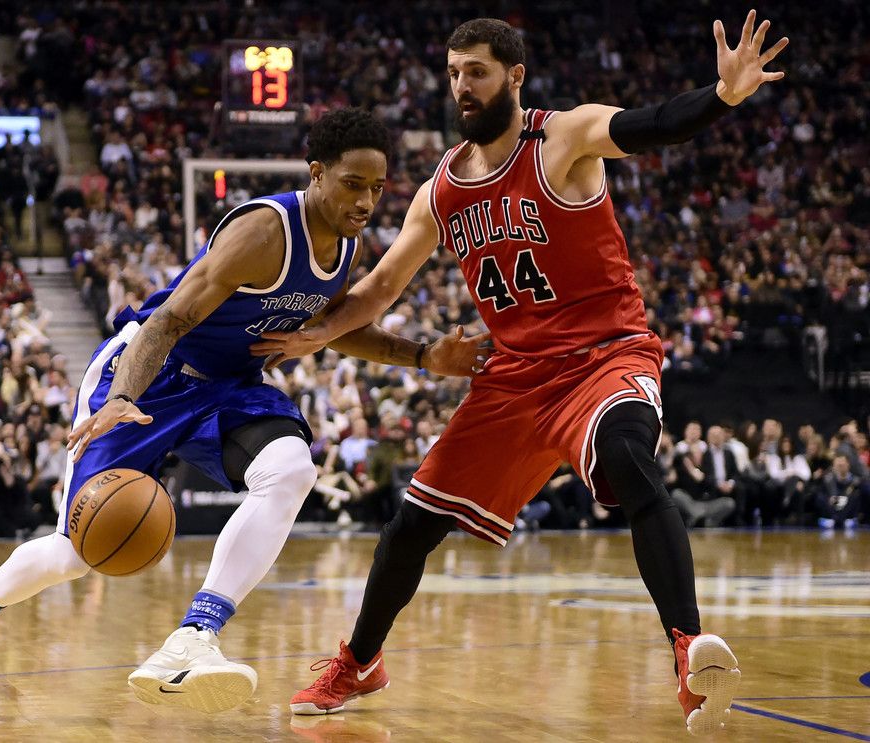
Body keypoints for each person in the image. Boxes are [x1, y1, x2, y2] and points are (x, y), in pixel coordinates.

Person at [256, 14, 788, 735]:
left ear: (514, 76)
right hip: (514, 377)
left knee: (628, 457)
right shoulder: (442, 188)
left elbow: (656, 124)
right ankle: (359, 660)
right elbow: (379, 288)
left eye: (476, 72)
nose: (461, 86)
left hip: (605, 355)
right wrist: (316, 331)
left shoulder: (562, 138)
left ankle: (688, 648)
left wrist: (721, 96)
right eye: (453, 73)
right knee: (411, 524)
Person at [0, 108, 487, 712]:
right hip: (152, 374)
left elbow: (336, 326)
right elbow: (168, 320)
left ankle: (195, 635)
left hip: (228, 388)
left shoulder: (345, 244)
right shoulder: (263, 232)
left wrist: (422, 356)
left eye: (376, 188)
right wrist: (122, 398)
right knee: (75, 553)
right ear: (317, 174)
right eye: (352, 184)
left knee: (292, 469)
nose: (365, 201)